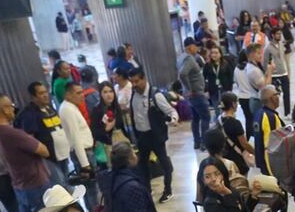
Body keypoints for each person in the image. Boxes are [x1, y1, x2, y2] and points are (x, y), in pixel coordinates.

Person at [0, 92, 52, 212]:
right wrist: (30, 139)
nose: (13, 109)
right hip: (35, 183)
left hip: (20, 183)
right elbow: (44, 151)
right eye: (11, 106)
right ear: (4, 109)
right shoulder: (12, 133)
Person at [125, 67, 179, 203]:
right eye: (132, 82)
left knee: (164, 163)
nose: (134, 85)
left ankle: (168, 190)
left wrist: (173, 120)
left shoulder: (156, 95)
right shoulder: (134, 94)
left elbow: (171, 111)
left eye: (137, 81)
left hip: (155, 136)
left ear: (144, 79)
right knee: (142, 165)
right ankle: (147, 190)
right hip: (141, 136)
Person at [17, 82, 71, 187]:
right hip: (48, 159)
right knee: (60, 186)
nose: (46, 95)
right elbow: (29, 139)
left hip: (62, 155)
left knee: (66, 182)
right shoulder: (29, 115)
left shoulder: (49, 108)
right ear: (33, 97)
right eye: (41, 93)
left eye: (46, 92)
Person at [58, 82, 95, 190]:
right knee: (91, 188)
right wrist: (85, 164)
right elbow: (75, 138)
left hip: (86, 151)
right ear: (68, 95)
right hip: (83, 153)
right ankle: (94, 207)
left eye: (82, 92)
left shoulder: (71, 106)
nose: (82, 95)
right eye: (78, 93)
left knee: (92, 187)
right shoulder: (67, 109)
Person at [178, 38, 210, 151]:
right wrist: (189, 88)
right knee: (206, 117)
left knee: (195, 118)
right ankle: (204, 143)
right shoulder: (189, 59)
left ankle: (197, 142)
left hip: (191, 96)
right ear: (190, 47)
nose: (197, 48)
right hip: (196, 94)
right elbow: (182, 74)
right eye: (195, 46)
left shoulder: (181, 58)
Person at [88, 81, 129, 168]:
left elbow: (121, 126)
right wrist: (106, 129)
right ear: (100, 94)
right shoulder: (97, 110)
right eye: (105, 92)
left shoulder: (115, 107)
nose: (109, 95)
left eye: (111, 91)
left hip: (121, 142)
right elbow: (94, 132)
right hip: (107, 146)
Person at [218, 92, 253, 175]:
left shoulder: (219, 119)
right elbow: (244, 144)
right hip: (236, 159)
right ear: (233, 104)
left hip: (224, 157)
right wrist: (255, 153)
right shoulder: (235, 123)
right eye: (236, 102)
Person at [254, 85, 285, 176]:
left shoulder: (259, 114)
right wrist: (272, 173)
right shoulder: (270, 117)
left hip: (261, 163)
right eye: (277, 94)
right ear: (273, 98)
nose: (278, 97)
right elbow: (270, 146)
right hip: (270, 167)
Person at [264, 30, 291, 116]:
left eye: (280, 34)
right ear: (272, 35)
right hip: (274, 74)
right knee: (274, 96)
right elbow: (265, 62)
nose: (279, 35)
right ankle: (273, 112)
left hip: (284, 73)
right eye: (277, 34)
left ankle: (287, 112)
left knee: (287, 93)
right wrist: (268, 73)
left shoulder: (281, 44)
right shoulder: (268, 48)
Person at [243, 43, 273, 121]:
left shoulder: (254, 66)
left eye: (261, 53)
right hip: (258, 101)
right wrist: (270, 72)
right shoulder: (253, 70)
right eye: (258, 53)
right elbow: (265, 88)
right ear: (251, 54)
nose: (261, 56)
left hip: (256, 99)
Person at [203, 46, 234, 119]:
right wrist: (206, 90)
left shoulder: (226, 64)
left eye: (216, 53)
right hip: (213, 90)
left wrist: (230, 90)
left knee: (225, 109)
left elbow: (230, 77)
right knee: (217, 110)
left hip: (225, 90)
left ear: (220, 54)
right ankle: (218, 126)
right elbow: (204, 78)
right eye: (212, 53)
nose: (214, 55)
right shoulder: (207, 65)